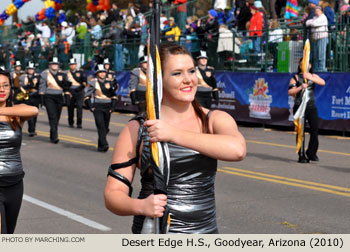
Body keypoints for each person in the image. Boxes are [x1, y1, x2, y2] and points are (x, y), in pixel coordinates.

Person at [104, 43, 246, 234]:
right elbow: (113, 195)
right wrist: (140, 206)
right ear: (158, 80)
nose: (188, 79)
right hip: (154, 233)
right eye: (177, 73)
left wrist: (173, 134)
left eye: (191, 71)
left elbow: (237, 150)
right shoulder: (137, 129)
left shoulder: (214, 120)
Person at [0, 67, 38, 234]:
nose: (1, 89)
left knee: (9, 235)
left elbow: (33, 110)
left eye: (5, 85)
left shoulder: (15, 114)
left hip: (15, 183)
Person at [288, 58, 325, 163]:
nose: (303, 66)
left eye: (306, 64)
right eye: (301, 64)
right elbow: (290, 92)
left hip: (311, 106)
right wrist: (300, 88)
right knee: (301, 131)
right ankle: (301, 155)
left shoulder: (313, 76)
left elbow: (323, 82)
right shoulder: (295, 78)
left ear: (310, 66)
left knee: (315, 129)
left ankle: (311, 153)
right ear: (300, 65)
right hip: (300, 107)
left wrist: (310, 77)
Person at [85, 64, 118, 152]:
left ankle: (100, 146)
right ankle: (105, 144)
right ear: (97, 73)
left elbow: (114, 96)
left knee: (105, 127)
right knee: (100, 126)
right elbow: (87, 96)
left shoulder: (110, 82)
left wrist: (113, 107)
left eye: (104, 72)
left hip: (107, 106)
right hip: (98, 106)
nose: (103, 74)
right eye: (100, 72)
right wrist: (91, 107)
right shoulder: (93, 82)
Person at [39, 57, 70, 144]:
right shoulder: (45, 74)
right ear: (50, 65)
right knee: (52, 116)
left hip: (59, 97)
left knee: (57, 117)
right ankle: (55, 136)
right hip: (49, 97)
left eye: (56, 64)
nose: (55, 65)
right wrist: (42, 102)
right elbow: (42, 88)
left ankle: (52, 133)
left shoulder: (63, 74)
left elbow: (66, 86)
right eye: (53, 64)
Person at [19, 61, 41, 136]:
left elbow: (40, 86)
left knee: (35, 113)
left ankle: (33, 128)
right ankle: (31, 130)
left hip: (35, 96)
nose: (31, 70)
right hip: (27, 96)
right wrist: (30, 85)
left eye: (32, 69)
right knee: (29, 113)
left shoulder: (38, 76)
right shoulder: (22, 77)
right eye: (29, 69)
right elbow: (21, 87)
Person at [66, 58, 87, 128]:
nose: (72, 66)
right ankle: (71, 122)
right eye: (71, 65)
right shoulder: (67, 73)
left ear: (76, 65)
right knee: (70, 107)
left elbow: (84, 83)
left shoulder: (80, 72)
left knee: (79, 107)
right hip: (70, 92)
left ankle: (79, 123)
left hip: (79, 91)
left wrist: (79, 88)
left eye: (73, 65)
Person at [306, 6, 328, 72]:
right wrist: (311, 23)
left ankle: (321, 68)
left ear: (321, 11)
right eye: (316, 11)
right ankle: (316, 69)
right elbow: (307, 23)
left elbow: (314, 24)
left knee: (321, 54)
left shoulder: (323, 17)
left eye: (318, 11)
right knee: (315, 54)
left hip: (322, 37)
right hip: (315, 38)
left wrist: (312, 23)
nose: (317, 12)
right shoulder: (315, 17)